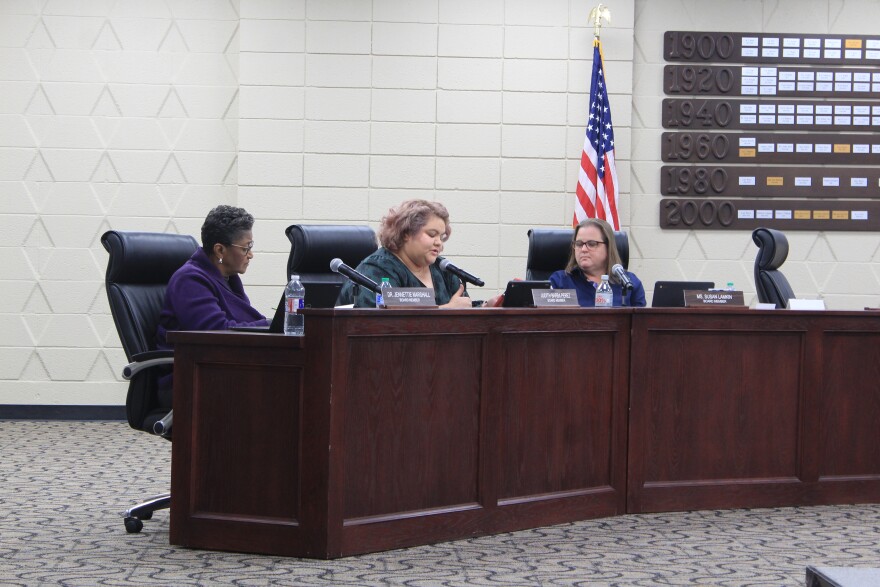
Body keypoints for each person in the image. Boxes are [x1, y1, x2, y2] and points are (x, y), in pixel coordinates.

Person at [156, 205, 269, 352]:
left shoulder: (229, 279)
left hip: (224, 364)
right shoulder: (189, 280)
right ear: (220, 250)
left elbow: (244, 324)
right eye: (245, 248)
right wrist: (269, 325)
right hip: (190, 369)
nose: (250, 254)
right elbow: (216, 334)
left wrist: (272, 326)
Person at [339, 199, 491, 308]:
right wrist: (445, 311)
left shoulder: (443, 270)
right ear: (406, 234)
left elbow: (461, 308)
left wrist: (486, 307)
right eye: (432, 235)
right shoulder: (377, 268)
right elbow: (382, 319)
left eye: (441, 236)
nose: (439, 242)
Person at [549, 218, 646, 307]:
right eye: (578, 244)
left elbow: (640, 322)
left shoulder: (629, 283)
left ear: (608, 248)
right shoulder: (560, 281)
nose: (583, 249)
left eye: (591, 244)